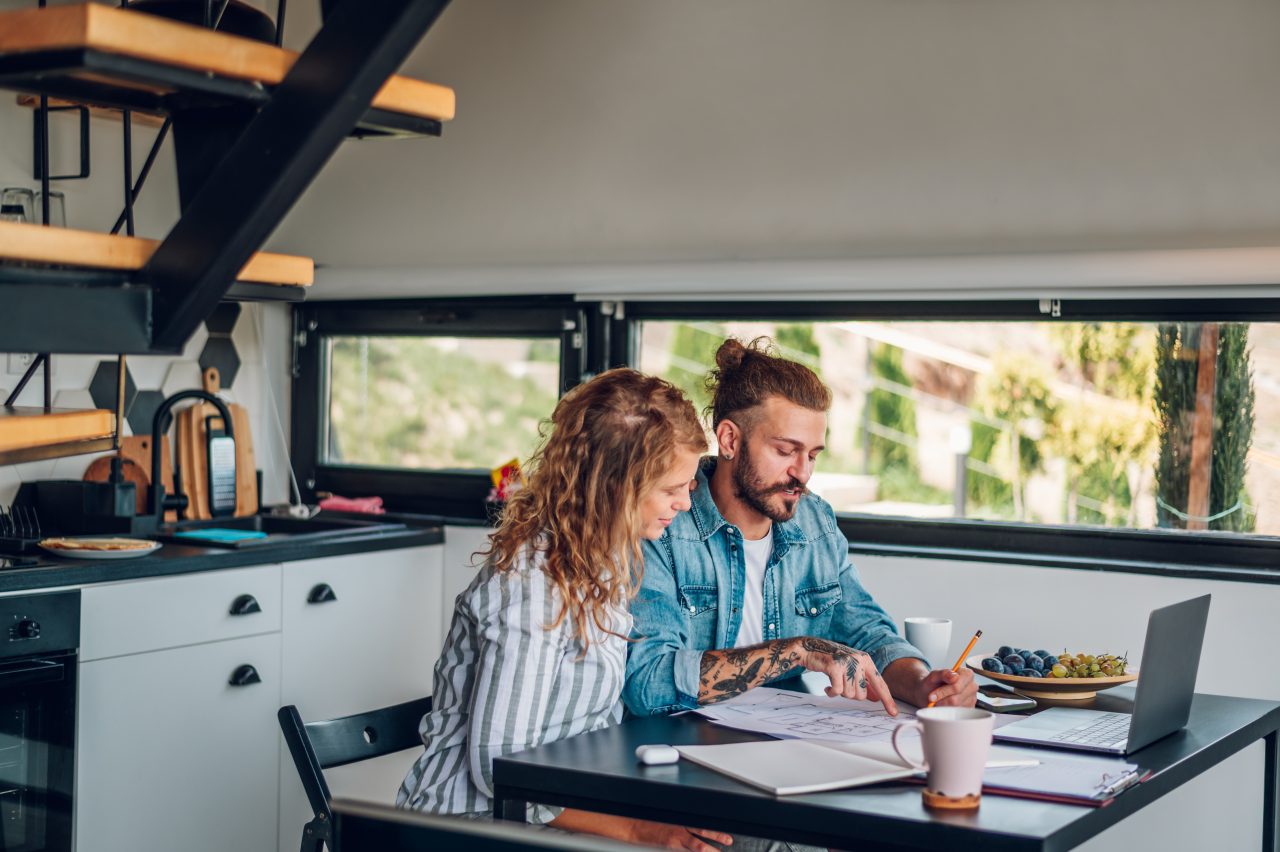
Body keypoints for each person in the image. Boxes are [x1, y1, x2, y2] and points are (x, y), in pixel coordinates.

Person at [397, 368, 736, 851]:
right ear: (616, 485)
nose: (685, 502)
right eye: (671, 488)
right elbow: (502, 772)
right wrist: (640, 830)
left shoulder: (606, 562)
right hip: (465, 829)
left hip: (554, 816)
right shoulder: (531, 587)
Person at [624, 338, 978, 718]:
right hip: (680, 749)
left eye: (811, 454)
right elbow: (649, 681)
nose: (803, 472)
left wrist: (923, 683)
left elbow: (870, 636)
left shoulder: (816, 524)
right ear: (730, 440)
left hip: (786, 743)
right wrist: (796, 650)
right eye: (785, 451)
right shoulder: (665, 523)